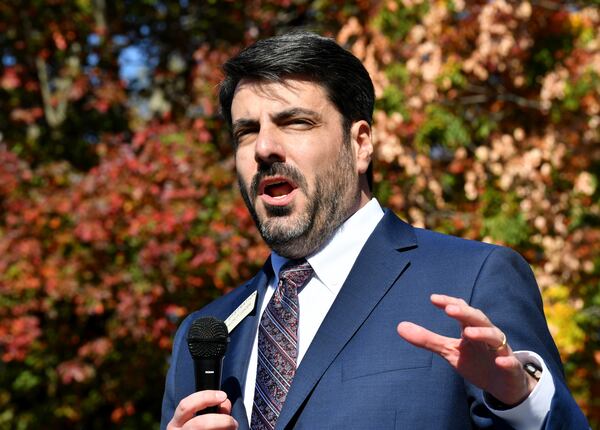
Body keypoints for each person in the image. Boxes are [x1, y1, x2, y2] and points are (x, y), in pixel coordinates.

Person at [161, 32, 589, 430]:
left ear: (360, 143)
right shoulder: (206, 333)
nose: (264, 148)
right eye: (246, 131)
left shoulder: (473, 281)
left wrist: (522, 400)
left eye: (295, 122)